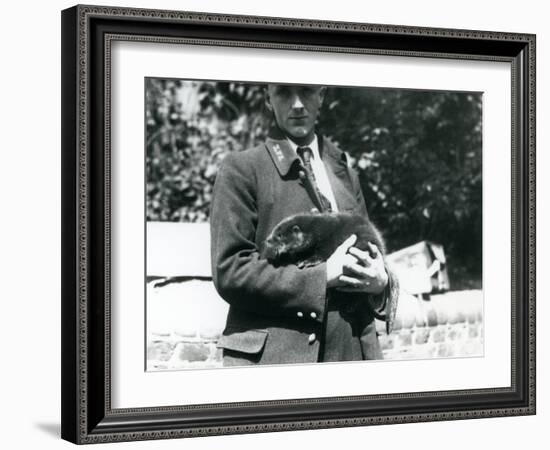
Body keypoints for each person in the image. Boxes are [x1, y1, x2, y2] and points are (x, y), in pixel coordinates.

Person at [210, 83, 398, 366]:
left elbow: (371, 250)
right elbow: (230, 271)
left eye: (307, 91)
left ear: (321, 96)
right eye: (284, 92)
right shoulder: (243, 169)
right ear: (268, 98)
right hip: (277, 360)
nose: (297, 104)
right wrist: (321, 277)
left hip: (351, 354)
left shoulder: (345, 173)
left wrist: (381, 283)